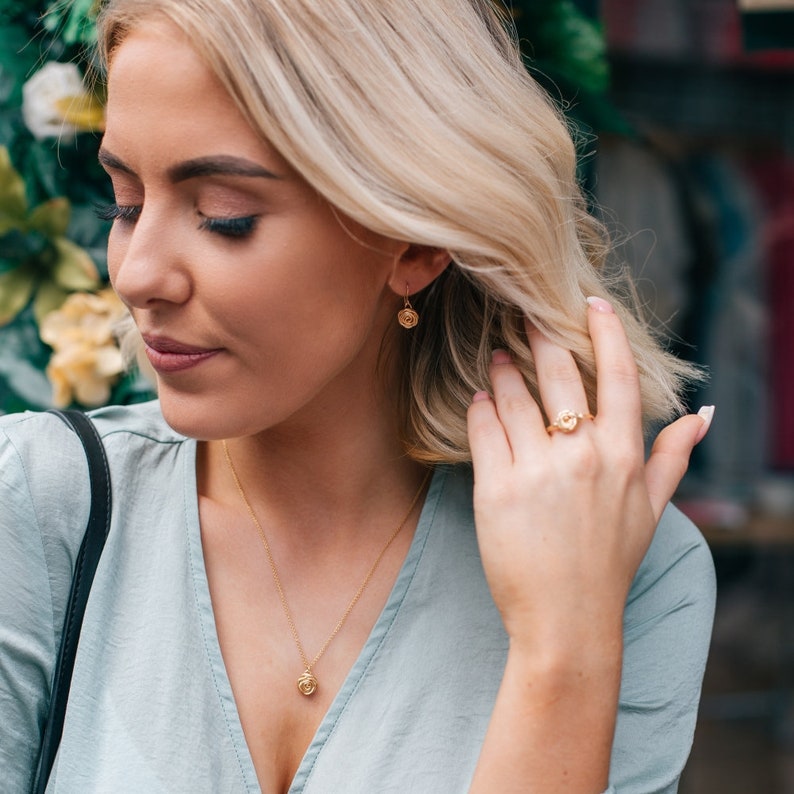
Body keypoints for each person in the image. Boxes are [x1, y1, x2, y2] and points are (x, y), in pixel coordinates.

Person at [0, 1, 716, 792]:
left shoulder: (631, 571)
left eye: (223, 219)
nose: (135, 274)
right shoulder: (37, 507)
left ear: (414, 240)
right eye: (126, 204)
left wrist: (563, 646)